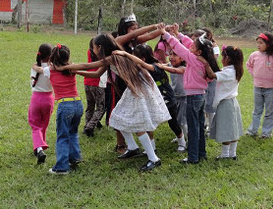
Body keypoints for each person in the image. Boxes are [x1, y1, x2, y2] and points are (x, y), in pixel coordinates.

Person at [59, 34, 171, 172]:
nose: (92, 50)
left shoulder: (112, 57)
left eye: (93, 47)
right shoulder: (111, 58)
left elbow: (89, 66)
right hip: (136, 87)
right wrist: (75, 71)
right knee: (117, 118)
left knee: (137, 124)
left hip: (138, 88)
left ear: (100, 47)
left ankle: (154, 159)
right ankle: (133, 148)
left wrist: (65, 67)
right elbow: (95, 74)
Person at [162, 24, 220, 164]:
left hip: (193, 98)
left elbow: (179, 48)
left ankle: (193, 157)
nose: (190, 46)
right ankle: (201, 153)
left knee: (193, 128)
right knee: (198, 126)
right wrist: (179, 33)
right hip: (200, 96)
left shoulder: (194, 60)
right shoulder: (202, 58)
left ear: (198, 52)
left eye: (193, 46)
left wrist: (166, 34)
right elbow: (188, 44)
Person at [115, 44, 186, 153]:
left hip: (166, 98)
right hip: (151, 100)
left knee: (173, 122)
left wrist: (125, 54)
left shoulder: (155, 66)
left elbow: (144, 65)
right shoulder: (139, 68)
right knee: (148, 122)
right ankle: (152, 147)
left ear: (142, 58)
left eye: (135, 56)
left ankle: (182, 142)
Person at [109, 14, 164, 153]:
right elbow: (139, 33)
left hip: (137, 80)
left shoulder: (135, 41)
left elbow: (150, 36)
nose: (136, 30)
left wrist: (164, 29)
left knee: (143, 111)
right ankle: (122, 145)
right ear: (124, 28)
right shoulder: (118, 40)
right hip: (123, 82)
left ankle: (147, 146)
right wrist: (153, 25)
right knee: (121, 112)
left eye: (137, 27)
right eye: (132, 28)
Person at [44, 44, 84, 175]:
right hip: (78, 103)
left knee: (62, 136)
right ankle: (75, 157)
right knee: (73, 132)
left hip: (65, 106)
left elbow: (39, 69)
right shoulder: (71, 68)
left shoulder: (49, 70)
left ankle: (61, 167)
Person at [202, 45, 244, 161]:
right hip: (232, 103)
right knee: (233, 129)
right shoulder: (234, 70)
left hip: (226, 104)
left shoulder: (229, 72)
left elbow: (212, 75)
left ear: (228, 59)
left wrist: (205, 63)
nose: (221, 59)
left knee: (226, 130)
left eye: (223, 57)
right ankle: (232, 153)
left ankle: (225, 155)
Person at [246, 33, 273, 138]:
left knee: (269, 112)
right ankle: (253, 130)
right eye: (257, 43)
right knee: (257, 110)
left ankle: (266, 133)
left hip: (270, 89)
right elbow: (249, 65)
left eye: (261, 43)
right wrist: (255, 75)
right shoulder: (254, 55)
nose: (258, 45)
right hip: (257, 87)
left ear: (269, 44)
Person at [28, 43, 53, 164]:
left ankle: (39, 149)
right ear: (50, 56)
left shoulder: (34, 67)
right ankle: (40, 146)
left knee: (35, 125)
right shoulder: (52, 69)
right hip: (49, 99)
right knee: (44, 124)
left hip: (36, 99)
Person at [157, 50, 188, 140]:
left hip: (183, 97)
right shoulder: (170, 65)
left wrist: (162, 67)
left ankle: (189, 140)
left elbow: (174, 70)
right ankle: (181, 136)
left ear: (182, 58)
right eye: (170, 54)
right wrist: (161, 65)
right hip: (175, 97)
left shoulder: (183, 68)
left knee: (182, 121)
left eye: (175, 55)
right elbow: (167, 65)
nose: (171, 57)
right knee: (176, 120)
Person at [83, 39, 107, 137]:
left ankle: (87, 124)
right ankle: (90, 126)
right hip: (98, 83)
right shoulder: (102, 55)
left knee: (90, 106)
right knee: (101, 107)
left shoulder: (90, 51)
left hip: (87, 81)